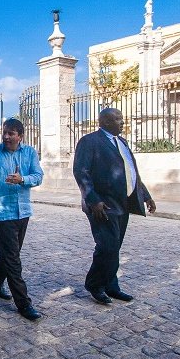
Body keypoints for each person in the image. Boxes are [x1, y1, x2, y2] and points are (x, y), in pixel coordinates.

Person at [73, 107, 156, 305]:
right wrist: (93, 200)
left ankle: (111, 286)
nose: (122, 122)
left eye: (122, 118)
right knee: (107, 246)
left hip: (123, 203)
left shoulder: (122, 142)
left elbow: (131, 172)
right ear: (106, 122)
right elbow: (81, 172)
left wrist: (146, 196)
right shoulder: (89, 141)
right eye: (118, 119)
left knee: (115, 247)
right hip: (102, 205)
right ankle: (94, 284)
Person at [0, 118, 43, 321]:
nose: (6, 136)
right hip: (2, 214)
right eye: (4, 132)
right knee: (13, 259)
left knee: (10, 253)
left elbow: (38, 176)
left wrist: (23, 179)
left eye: (11, 133)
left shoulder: (29, 153)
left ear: (20, 136)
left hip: (23, 212)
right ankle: (24, 303)